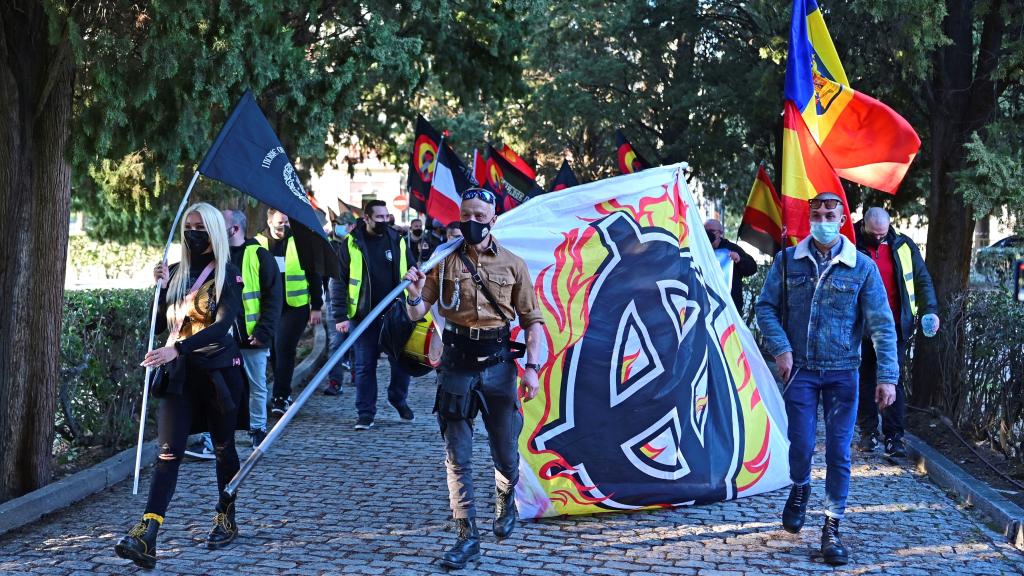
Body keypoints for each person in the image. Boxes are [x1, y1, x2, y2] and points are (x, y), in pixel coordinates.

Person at [403, 187, 545, 570]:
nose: (472, 222)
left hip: (499, 367)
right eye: (467, 215)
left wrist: (531, 369)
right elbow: (419, 313)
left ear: (493, 219)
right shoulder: (443, 262)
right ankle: (466, 538)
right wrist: (414, 294)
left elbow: (532, 321)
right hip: (456, 365)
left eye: (480, 217)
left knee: (504, 450)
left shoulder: (513, 264)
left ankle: (505, 495)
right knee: (457, 457)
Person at [755, 192, 898, 566]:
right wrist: (781, 349)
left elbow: (882, 325)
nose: (822, 217)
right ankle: (800, 487)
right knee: (800, 445)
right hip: (800, 370)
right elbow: (765, 307)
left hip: (843, 373)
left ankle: (832, 527)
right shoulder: (788, 262)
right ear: (809, 215)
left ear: (842, 216)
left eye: (829, 212)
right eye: (816, 212)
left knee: (838, 452)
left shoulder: (861, 267)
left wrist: (887, 377)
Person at [114, 203, 248, 569]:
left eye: (200, 226)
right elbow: (160, 326)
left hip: (219, 375)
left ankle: (226, 513)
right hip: (180, 378)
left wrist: (178, 349)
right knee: (168, 453)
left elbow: (221, 329)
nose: (192, 232)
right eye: (188, 226)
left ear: (215, 232)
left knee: (223, 448)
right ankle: (148, 533)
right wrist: (157, 289)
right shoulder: (175, 272)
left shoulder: (227, 274)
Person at [855, 208, 939, 457]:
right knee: (865, 379)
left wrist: (929, 310)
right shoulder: (850, 243)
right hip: (860, 327)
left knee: (893, 381)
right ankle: (868, 433)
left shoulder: (903, 245)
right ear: (864, 228)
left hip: (894, 327)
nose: (880, 239)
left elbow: (922, 280)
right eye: (874, 235)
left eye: (883, 234)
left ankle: (894, 438)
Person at [332, 200, 413, 429]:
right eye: (378, 217)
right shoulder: (351, 243)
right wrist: (340, 316)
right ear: (366, 218)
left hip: (396, 314)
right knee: (365, 366)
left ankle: (398, 398)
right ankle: (365, 413)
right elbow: (339, 281)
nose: (384, 221)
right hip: (364, 316)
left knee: (402, 363)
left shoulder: (397, 240)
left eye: (386, 217)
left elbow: (412, 269)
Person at [256, 208, 323, 416]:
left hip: (295, 306)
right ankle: (281, 389)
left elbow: (314, 275)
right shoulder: (257, 244)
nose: (282, 227)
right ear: (269, 222)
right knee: (275, 351)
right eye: (278, 223)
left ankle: (280, 397)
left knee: (284, 347)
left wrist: (317, 306)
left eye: (286, 223)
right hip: (268, 307)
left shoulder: (300, 242)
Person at [223, 209, 282, 446]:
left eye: (221, 222)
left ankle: (257, 429)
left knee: (257, 386)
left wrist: (263, 332)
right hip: (221, 338)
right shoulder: (214, 253)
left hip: (251, 337)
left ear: (235, 228)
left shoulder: (259, 255)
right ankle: (212, 435)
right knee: (217, 388)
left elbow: (273, 298)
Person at [323, 213, 358, 396]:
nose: (339, 227)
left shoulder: (358, 245)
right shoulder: (328, 244)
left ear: (352, 226)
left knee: (356, 342)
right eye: (337, 224)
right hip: (333, 299)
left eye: (343, 225)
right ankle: (335, 382)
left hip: (355, 300)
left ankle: (356, 374)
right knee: (336, 343)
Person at [704, 218, 757, 311]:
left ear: (720, 233)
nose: (707, 233)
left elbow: (752, 268)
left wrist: (739, 260)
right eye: (705, 230)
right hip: (706, 303)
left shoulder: (731, 248)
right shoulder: (700, 249)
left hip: (730, 305)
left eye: (711, 231)